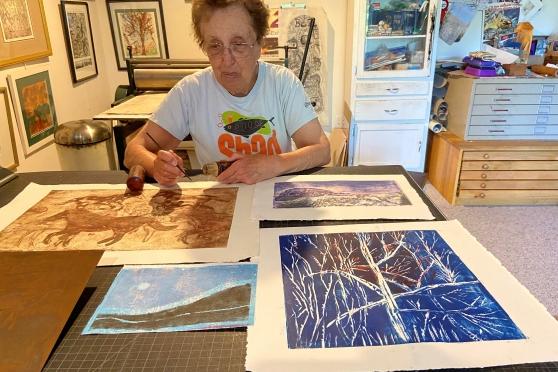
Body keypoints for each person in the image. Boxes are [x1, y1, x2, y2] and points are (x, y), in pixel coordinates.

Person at [124, 0, 330, 186]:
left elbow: (321, 150)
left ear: (259, 44)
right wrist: (156, 166)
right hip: (217, 203)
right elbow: (133, 150)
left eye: (238, 44)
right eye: (215, 46)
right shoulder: (190, 91)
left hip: (275, 197)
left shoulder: (283, 84)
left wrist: (275, 163)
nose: (226, 60)